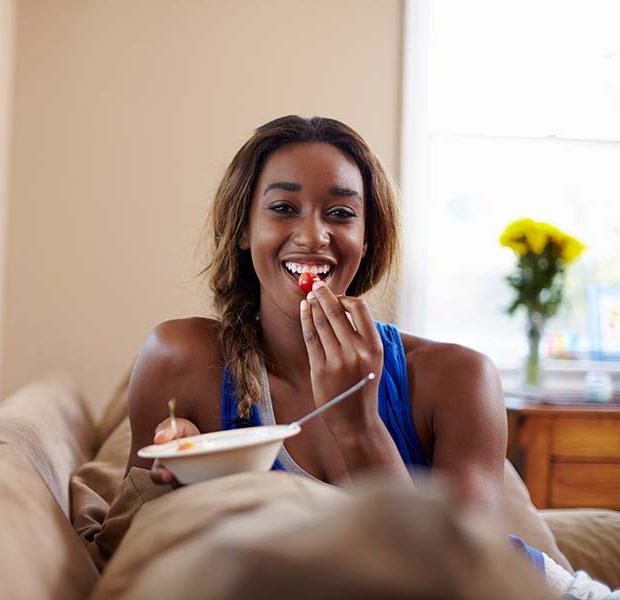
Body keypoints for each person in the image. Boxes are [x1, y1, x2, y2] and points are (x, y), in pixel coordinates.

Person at [123, 115, 620, 598]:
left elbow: (468, 583)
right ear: (242, 230)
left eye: (341, 214)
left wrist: (359, 427)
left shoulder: (458, 377)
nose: (314, 235)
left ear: (367, 240)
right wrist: (176, 484)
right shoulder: (181, 363)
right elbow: (128, 547)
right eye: (283, 208)